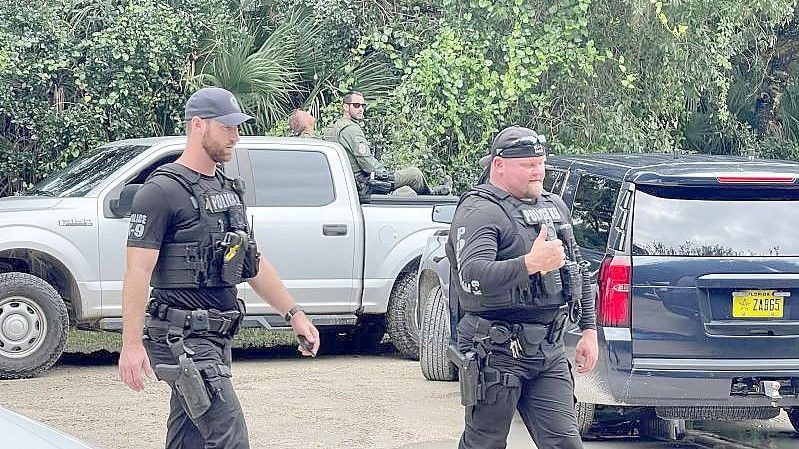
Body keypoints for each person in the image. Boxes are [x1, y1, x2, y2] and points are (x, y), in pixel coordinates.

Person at [118, 86, 320, 449]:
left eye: (237, 127)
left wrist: (294, 312)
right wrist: (131, 344)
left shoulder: (228, 190)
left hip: (217, 335)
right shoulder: (161, 192)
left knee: (189, 438)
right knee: (229, 435)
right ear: (198, 125)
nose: (235, 136)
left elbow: (253, 264)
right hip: (180, 338)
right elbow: (137, 272)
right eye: (226, 127)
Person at [445, 126, 598, 449]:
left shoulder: (553, 206)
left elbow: (579, 269)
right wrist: (529, 264)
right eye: (528, 165)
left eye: (540, 163)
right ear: (498, 165)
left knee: (566, 443)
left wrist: (588, 330)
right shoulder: (480, 211)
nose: (538, 171)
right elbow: (472, 273)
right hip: (495, 349)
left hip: (548, 349)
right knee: (484, 442)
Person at [323, 90, 452, 196]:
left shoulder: (333, 127)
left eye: (363, 106)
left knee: (407, 192)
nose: (361, 109)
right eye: (356, 105)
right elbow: (366, 162)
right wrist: (385, 174)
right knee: (414, 174)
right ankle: (433, 196)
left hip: (347, 184)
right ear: (346, 107)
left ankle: (434, 194)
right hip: (363, 184)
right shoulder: (351, 129)